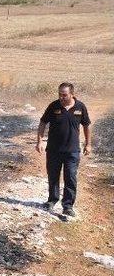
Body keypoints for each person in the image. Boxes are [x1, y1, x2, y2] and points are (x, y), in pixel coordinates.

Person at [36, 82, 91, 217]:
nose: (61, 97)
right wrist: (39, 141)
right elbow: (43, 122)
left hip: (72, 151)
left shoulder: (80, 107)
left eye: (64, 95)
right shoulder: (53, 106)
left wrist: (88, 144)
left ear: (72, 94)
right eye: (60, 94)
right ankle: (52, 201)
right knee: (53, 177)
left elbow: (86, 125)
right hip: (54, 150)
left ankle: (67, 206)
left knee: (70, 178)